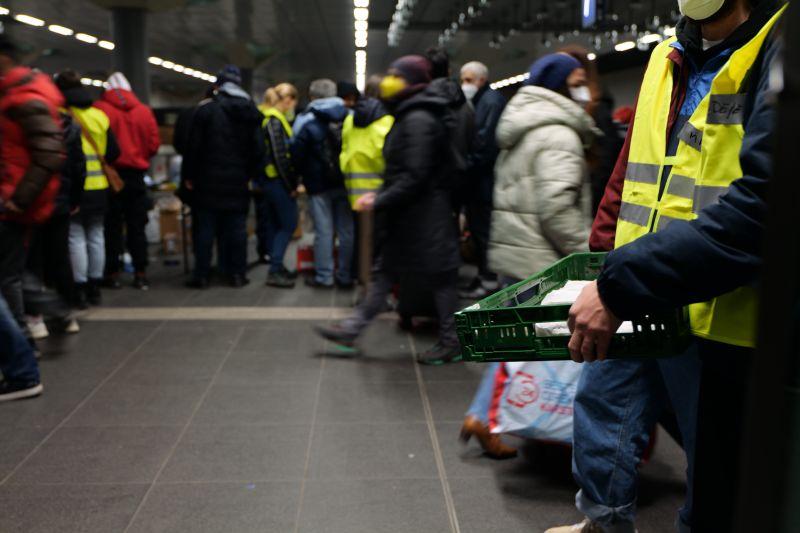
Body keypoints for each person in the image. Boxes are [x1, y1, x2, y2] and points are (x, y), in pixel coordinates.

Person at [550, 0, 786, 532]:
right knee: (603, 406)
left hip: (713, 299)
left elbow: (761, 208)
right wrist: (604, 262)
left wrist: (622, 282)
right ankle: (602, 520)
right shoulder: (666, 57)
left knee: (713, 462)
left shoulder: (769, 51)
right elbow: (631, 166)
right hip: (635, 280)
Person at [315, 55, 464, 365]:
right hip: (410, 214)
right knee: (385, 272)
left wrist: (379, 199)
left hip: (426, 215)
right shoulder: (410, 113)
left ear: (411, 82)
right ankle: (352, 329)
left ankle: (452, 341)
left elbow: (415, 174)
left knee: (441, 279)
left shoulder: (420, 118)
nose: (389, 79)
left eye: (397, 75)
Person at [0, 35, 65, 398]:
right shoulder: (15, 94)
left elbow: (48, 154)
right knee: (10, 277)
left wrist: (17, 200)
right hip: (14, 201)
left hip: (11, 204)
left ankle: (22, 367)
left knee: (7, 280)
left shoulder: (23, 98)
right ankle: (23, 357)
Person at [184, 65, 265, 288]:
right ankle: (237, 274)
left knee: (205, 229)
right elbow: (259, 149)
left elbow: (193, 147)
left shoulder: (206, 111)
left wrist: (190, 175)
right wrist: (251, 174)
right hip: (239, 180)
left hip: (207, 180)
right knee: (237, 229)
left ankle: (201, 275)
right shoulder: (250, 111)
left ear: (217, 86)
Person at [25, 82, 86, 337]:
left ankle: (35, 319)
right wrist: (74, 198)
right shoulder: (69, 127)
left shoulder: (24, 126)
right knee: (61, 258)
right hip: (60, 201)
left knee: (33, 260)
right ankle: (67, 312)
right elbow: (77, 167)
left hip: (32, 203)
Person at [55, 70, 119, 309]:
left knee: (75, 237)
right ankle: (95, 286)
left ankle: (80, 288)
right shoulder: (99, 116)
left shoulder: (61, 116)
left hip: (74, 185)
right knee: (96, 235)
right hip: (99, 186)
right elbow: (113, 151)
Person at [95, 72, 160, 291]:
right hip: (136, 176)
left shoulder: (100, 109)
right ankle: (141, 273)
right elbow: (153, 145)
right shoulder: (144, 111)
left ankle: (112, 273)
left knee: (111, 226)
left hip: (111, 176)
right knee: (136, 226)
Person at [292, 79, 353, 289]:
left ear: (312, 96)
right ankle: (345, 275)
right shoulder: (350, 116)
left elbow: (296, 154)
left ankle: (324, 277)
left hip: (317, 185)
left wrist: (300, 177)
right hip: (346, 182)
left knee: (324, 231)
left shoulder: (304, 119)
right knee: (347, 231)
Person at [458, 60, 506, 300]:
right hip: (478, 180)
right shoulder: (480, 101)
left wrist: (464, 167)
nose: (464, 85)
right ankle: (484, 276)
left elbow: (485, 145)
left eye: (468, 80)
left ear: (482, 80)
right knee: (478, 232)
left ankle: (488, 280)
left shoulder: (491, 102)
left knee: (484, 232)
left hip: (484, 181)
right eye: (462, 80)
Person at [259, 83, 300, 288]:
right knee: (288, 224)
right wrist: (291, 184)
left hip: (270, 180)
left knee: (276, 225)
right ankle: (275, 270)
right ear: (288, 100)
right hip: (277, 181)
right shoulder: (274, 121)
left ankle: (277, 265)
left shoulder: (268, 118)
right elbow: (280, 157)